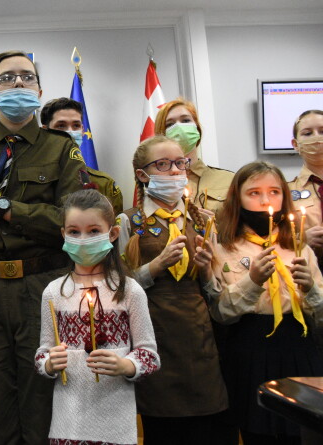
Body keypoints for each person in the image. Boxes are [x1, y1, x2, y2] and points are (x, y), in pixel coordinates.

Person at [0, 50, 85, 443]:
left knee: (45, 402)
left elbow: (71, 223)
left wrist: (1, 207)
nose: (19, 82)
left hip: (44, 286)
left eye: (27, 76)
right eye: (7, 78)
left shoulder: (61, 148)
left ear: (39, 91)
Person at [116, 135, 227, 444]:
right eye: (163, 165)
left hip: (198, 335)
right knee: (162, 428)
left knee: (205, 427)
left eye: (180, 163)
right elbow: (118, 290)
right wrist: (156, 266)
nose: (176, 171)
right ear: (143, 175)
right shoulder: (128, 221)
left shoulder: (202, 220)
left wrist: (207, 269)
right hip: (154, 333)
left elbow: (217, 292)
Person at [211, 161, 323, 444]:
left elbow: (320, 315)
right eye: (254, 193)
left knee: (304, 432)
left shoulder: (298, 246)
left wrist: (310, 289)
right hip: (250, 349)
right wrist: (252, 281)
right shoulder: (223, 248)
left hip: (299, 347)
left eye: (274, 192)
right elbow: (220, 313)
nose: (265, 201)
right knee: (258, 431)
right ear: (237, 198)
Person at [36, 189, 160, 445]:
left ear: (112, 234)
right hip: (67, 424)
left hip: (115, 425)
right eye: (74, 232)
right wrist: (49, 363)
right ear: (63, 234)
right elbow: (42, 354)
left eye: (94, 231)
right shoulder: (54, 292)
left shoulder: (130, 291)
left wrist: (126, 365)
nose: (83, 240)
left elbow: (149, 355)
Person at [40, 97, 124, 215]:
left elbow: (114, 225)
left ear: (83, 130)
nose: (70, 132)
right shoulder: (34, 180)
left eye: (76, 126)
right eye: (61, 126)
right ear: (45, 132)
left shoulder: (104, 184)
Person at [154, 98, 233, 217]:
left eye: (186, 120)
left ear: (197, 128)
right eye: (170, 124)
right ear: (161, 134)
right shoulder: (156, 183)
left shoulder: (229, 180)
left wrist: (213, 225)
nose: (179, 127)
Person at [287, 109, 323, 262]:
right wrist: (300, 239)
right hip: (306, 268)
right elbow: (269, 237)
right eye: (308, 133)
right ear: (295, 144)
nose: (316, 138)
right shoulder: (284, 192)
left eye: (322, 131)